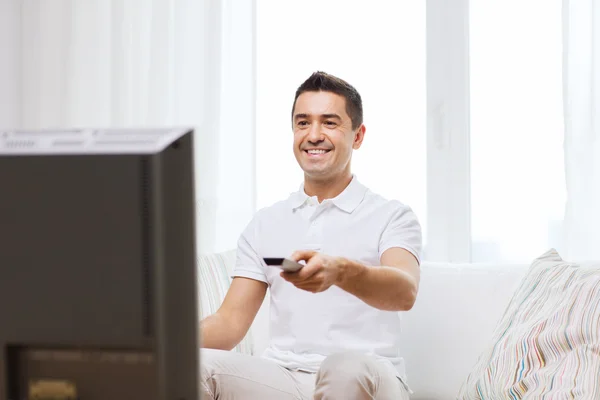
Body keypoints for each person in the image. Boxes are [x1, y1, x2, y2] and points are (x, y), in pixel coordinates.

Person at [200, 71, 422, 400]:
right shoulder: (266, 222)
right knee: (197, 365)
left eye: (329, 123)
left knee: (344, 367)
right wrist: (156, 340)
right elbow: (230, 322)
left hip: (370, 375)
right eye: (303, 123)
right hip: (285, 378)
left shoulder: (391, 215)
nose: (313, 135)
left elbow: (404, 292)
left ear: (358, 136)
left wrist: (341, 271)